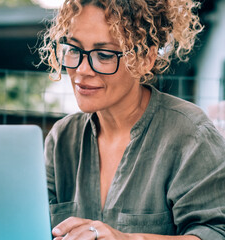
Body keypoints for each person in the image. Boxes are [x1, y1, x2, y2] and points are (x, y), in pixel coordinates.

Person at [38, 0, 225, 239]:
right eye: (74, 49)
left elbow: (216, 232)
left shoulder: (190, 135)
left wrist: (127, 238)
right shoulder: (62, 138)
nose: (82, 69)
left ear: (145, 59)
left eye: (104, 55)